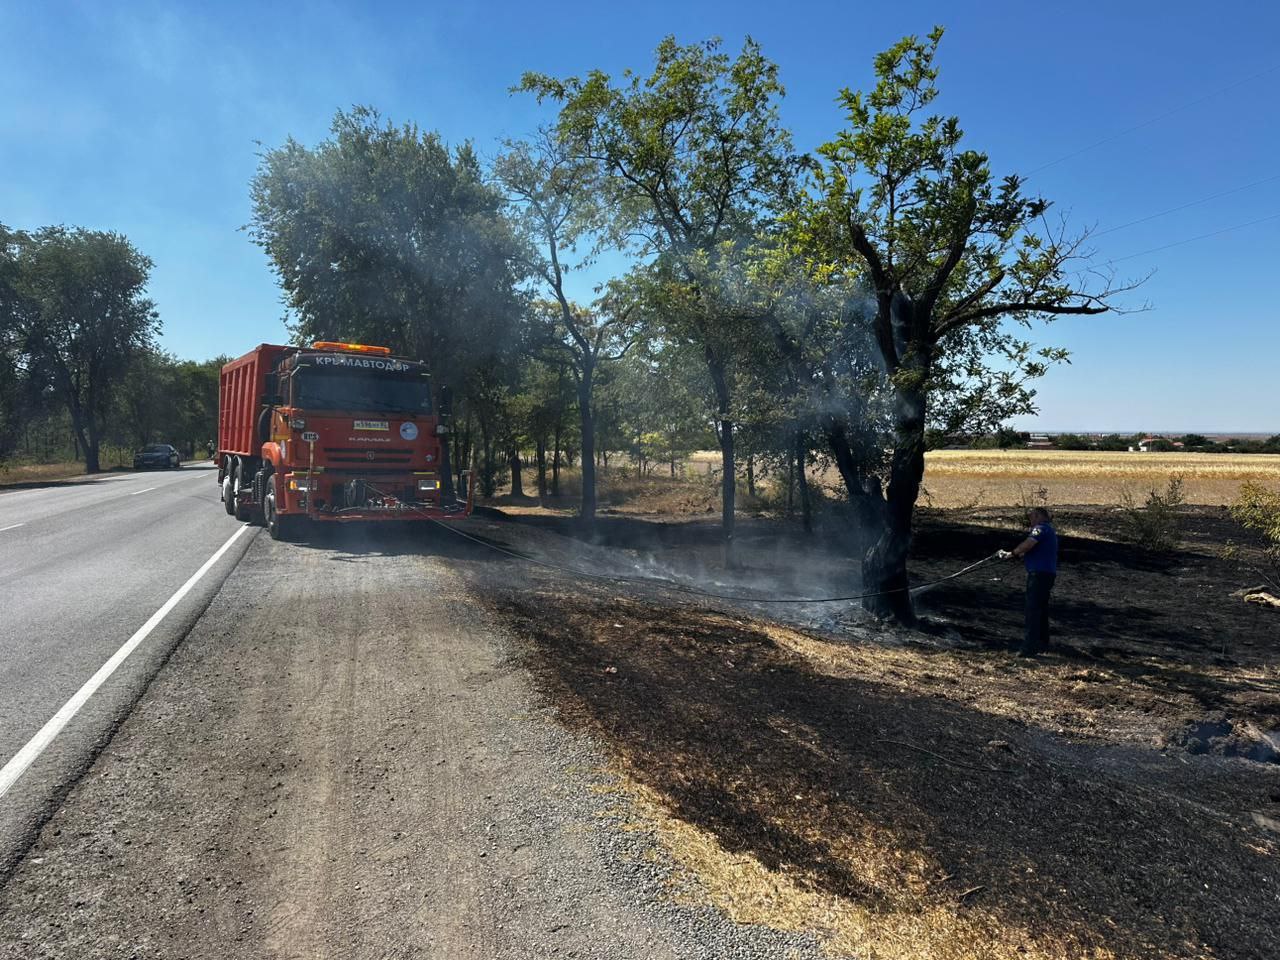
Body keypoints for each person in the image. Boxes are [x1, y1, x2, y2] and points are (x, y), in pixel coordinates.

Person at [998, 506, 1059, 657]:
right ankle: (1042, 643)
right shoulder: (1049, 531)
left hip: (1038, 575)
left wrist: (1012, 553)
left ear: (1039, 516)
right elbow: (1033, 550)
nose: (1030, 521)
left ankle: (1029, 648)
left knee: (1032, 610)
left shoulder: (1040, 529)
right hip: (1047, 574)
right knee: (1041, 609)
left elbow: (1029, 543)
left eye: (1032, 517)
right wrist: (1022, 555)